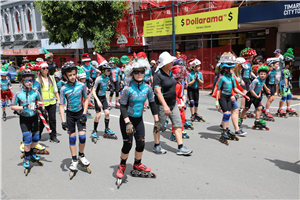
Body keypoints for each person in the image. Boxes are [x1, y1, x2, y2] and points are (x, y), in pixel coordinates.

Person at [116, 52, 159, 184]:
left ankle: (137, 164)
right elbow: (123, 107)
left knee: (141, 143)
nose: (139, 74)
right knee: (127, 144)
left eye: (142, 72)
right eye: (136, 72)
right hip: (126, 120)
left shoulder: (147, 88)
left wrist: (157, 120)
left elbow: (152, 103)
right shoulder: (127, 89)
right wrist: (128, 123)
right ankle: (122, 165)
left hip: (138, 119)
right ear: (131, 73)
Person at [153, 51, 193, 155]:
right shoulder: (158, 75)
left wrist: (179, 102)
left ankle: (180, 147)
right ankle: (156, 145)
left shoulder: (171, 73)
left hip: (173, 103)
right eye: (170, 61)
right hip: (161, 105)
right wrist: (165, 106)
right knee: (159, 126)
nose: (172, 63)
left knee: (178, 124)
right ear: (164, 63)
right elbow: (158, 92)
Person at [59, 62, 91, 178]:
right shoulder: (63, 89)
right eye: (70, 75)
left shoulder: (82, 86)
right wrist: (63, 120)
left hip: (80, 113)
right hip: (70, 116)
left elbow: (86, 99)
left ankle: (81, 155)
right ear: (65, 76)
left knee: (82, 136)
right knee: (72, 138)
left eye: (74, 74)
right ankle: (74, 160)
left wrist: (84, 113)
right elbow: (61, 105)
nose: (72, 76)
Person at [11, 69, 45, 174]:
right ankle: (27, 158)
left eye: (31, 80)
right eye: (26, 80)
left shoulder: (35, 92)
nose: (29, 82)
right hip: (24, 119)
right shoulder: (18, 93)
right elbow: (12, 107)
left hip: (34, 117)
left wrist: (40, 106)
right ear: (22, 82)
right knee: (27, 138)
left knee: (35, 138)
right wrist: (23, 107)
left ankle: (32, 153)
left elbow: (41, 103)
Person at [215, 53, 249, 145]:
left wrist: (244, 95)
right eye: (232, 68)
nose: (233, 69)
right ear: (226, 69)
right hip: (223, 97)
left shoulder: (232, 78)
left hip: (229, 98)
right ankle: (224, 131)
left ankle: (225, 130)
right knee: (226, 114)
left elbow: (236, 88)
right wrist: (217, 101)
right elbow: (218, 89)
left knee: (228, 114)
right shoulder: (222, 78)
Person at [91, 62, 117, 142]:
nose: (109, 71)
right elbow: (93, 91)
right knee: (98, 116)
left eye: (110, 70)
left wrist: (110, 85)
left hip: (103, 98)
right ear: (103, 71)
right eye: (107, 70)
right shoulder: (98, 79)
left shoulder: (107, 78)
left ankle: (106, 129)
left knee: (107, 113)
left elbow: (106, 84)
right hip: (98, 98)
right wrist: (98, 101)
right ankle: (94, 131)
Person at [239, 65, 270, 130]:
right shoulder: (255, 81)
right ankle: (240, 119)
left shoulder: (263, 80)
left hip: (256, 96)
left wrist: (259, 95)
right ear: (258, 74)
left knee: (259, 108)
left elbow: (260, 88)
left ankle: (257, 121)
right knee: (246, 109)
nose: (263, 75)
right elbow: (251, 90)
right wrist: (256, 96)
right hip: (250, 96)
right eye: (261, 74)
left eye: (264, 74)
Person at [36, 61, 60, 142]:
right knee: (44, 120)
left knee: (53, 120)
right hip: (43, 104)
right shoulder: (38, 79)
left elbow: (55, 90)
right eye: (44, 68)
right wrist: (41, 104)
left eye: (47, 68)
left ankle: (53, 136)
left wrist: (59, 99)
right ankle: (38, 134)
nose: (46, 69)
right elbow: (39, 93)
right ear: (41, 69)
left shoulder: (52, 78)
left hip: (52, 102)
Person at [169, 65, 190, 141]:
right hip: (176, 103)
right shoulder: (174, 84)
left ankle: (181, 130)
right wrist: (178, 105)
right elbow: (174, 96)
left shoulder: (179, 84)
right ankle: (174, 133)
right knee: (176, 118)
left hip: (180, 102)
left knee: (182, 118)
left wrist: (183, 102)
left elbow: (181, 95)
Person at [276, 48, 298, 117]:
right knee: (284, 96)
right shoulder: (285, 70)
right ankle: (280, 109)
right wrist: (286, 86)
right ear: (288, 62)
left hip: (286, 84)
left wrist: (289, 84)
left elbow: (287, 79)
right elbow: (285, 79)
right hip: (283, 84)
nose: (292, 63)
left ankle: (288, 108)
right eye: (291, 62)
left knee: (289, 96)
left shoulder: (288, 69)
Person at [187, 58, 204, 123]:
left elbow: (202, 83)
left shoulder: (200, 74)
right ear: (193, 67)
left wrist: (198, 79)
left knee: (196, 102)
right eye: (198, 66)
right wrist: (194, 79)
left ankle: (195, 113)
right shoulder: (190, 74)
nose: (199, 67)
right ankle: (192, 114)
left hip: (196, 89)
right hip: (190, 89)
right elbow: (189, 84)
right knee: (192, 102)